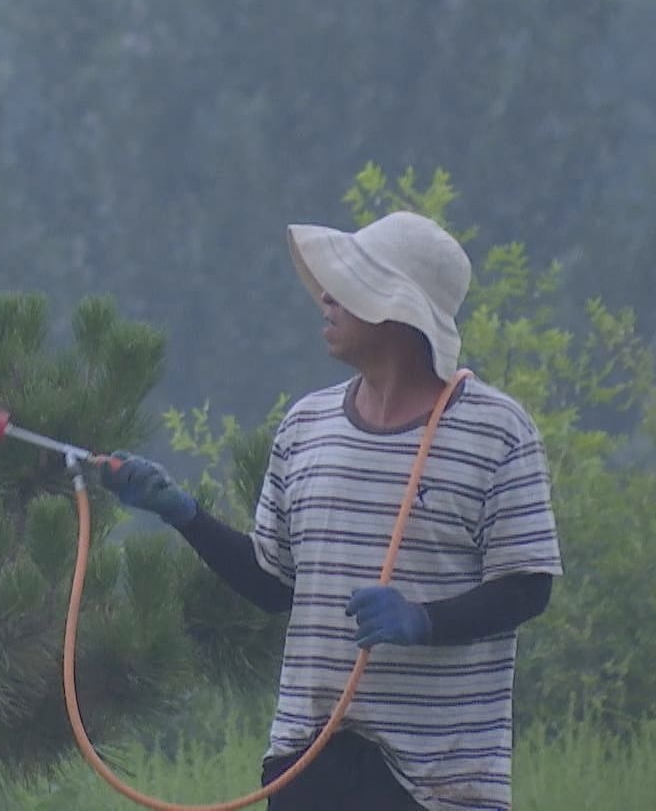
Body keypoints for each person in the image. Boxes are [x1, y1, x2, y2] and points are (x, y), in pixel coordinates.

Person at [98, 211, 561, 811]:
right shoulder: (305, 426)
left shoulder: (496, 432)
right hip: (306, 762)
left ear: (396, 307)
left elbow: (527, 588)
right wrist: (182, 513)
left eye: (347, 285)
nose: (325, 298)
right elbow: (273, 582)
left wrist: (423, 621)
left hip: (439, 781)